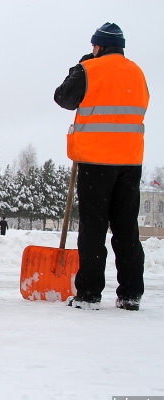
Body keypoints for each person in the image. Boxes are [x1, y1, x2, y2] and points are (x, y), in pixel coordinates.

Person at [54, 23, 149, 311]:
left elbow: (63, 97)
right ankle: (130, 293)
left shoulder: (89, 69)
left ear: (98, 46)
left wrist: (79, 68)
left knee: (94, 228)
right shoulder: (137, 72)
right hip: (130, 161)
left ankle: (89, 293)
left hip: (96, 161)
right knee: (126, 228)